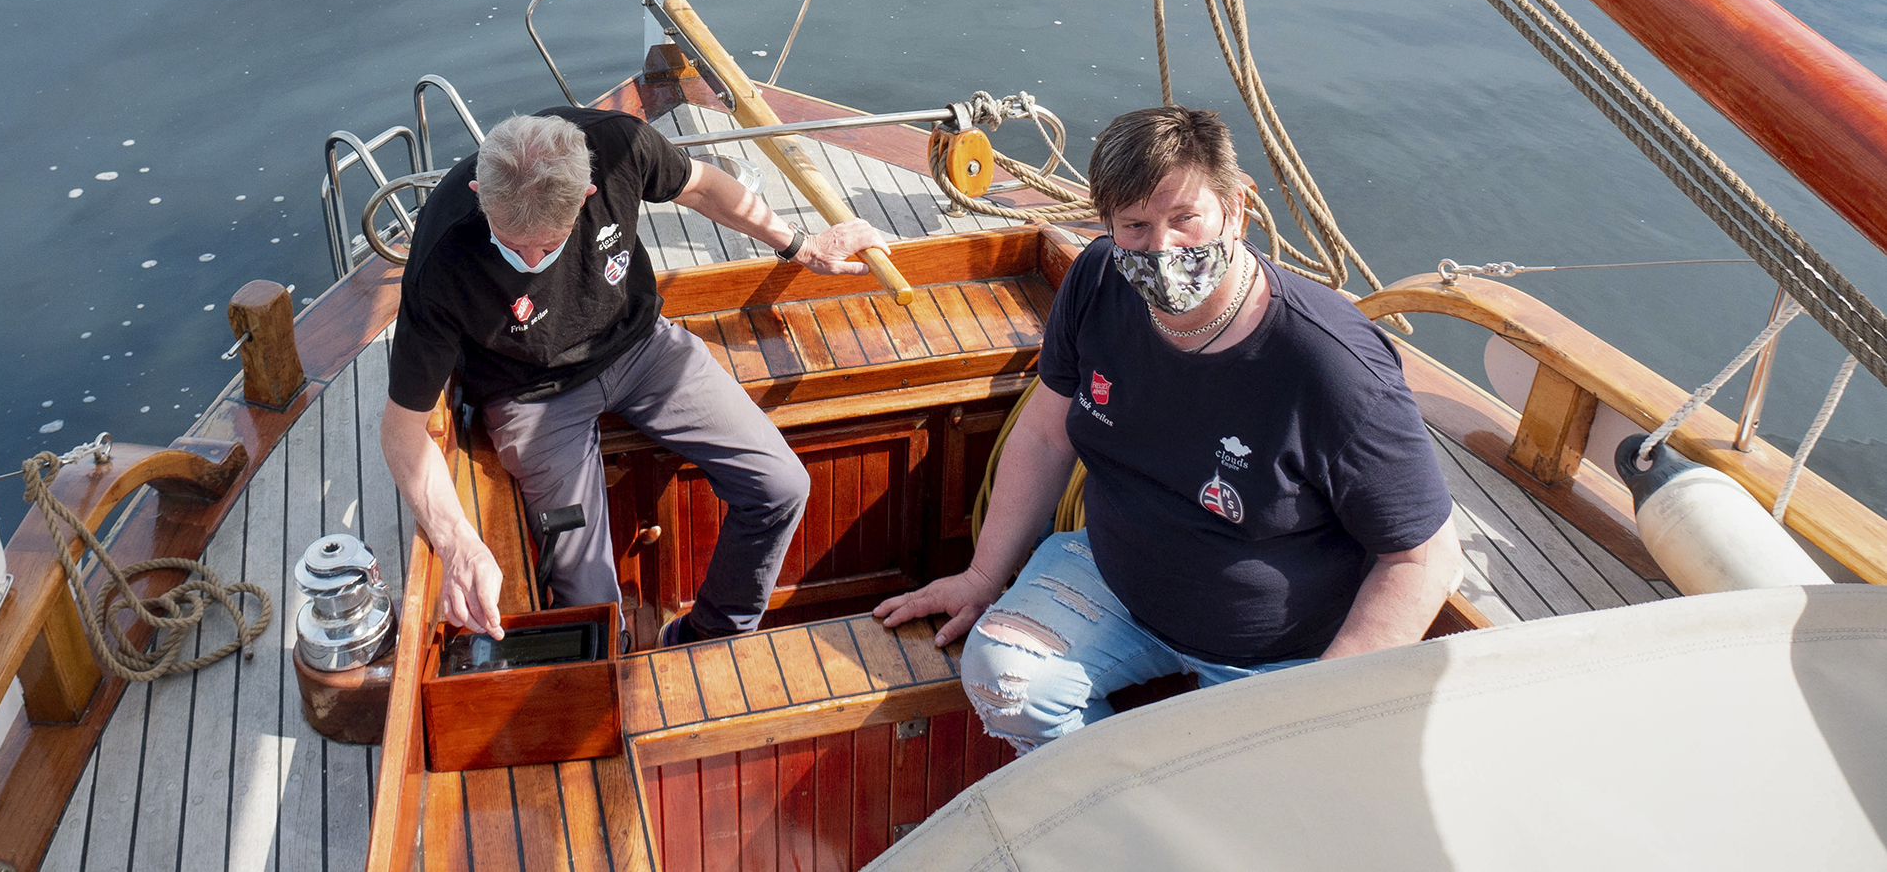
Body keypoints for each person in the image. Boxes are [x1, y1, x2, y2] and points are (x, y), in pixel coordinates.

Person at [874, 104, 1461, 749]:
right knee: (1004, 681)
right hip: (1113, 577)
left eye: (1186, 219)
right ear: (1108, 225)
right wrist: (982, 577)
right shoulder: (1098, 280)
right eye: (1135, 226)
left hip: (1271, 649)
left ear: (1237, 209)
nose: (1162, 248)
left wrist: (1321, 706)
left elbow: (1425, 558)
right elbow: (1046, 435)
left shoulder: (1332, 365)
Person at [379, 108, 886, 645]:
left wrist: (798, 245)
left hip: (642, 347)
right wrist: (458, 542)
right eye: (511, 242)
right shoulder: (442, 255)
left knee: (782, 486)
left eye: (547, 246)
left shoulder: (622, 145)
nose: (529, 260)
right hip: (529, 393)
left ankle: (705, 640)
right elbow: (402, 432)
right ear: (481, 193)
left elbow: (705, 187)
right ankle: (611, 674)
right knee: (588, 607)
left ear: (586, 195)